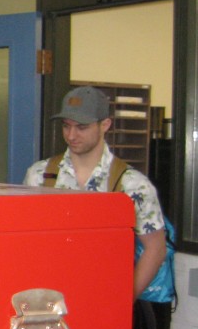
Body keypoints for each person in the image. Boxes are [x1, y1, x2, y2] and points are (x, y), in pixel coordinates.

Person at [23, 85, 166, 301]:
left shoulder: (132, 185)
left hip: (104, 298)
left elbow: (155, 249)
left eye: (81, 127)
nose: (71, 135)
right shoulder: (39, 176)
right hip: (48, 298)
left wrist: (123, 300)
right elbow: (26, 242)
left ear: (105, 125)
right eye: (66, 126)